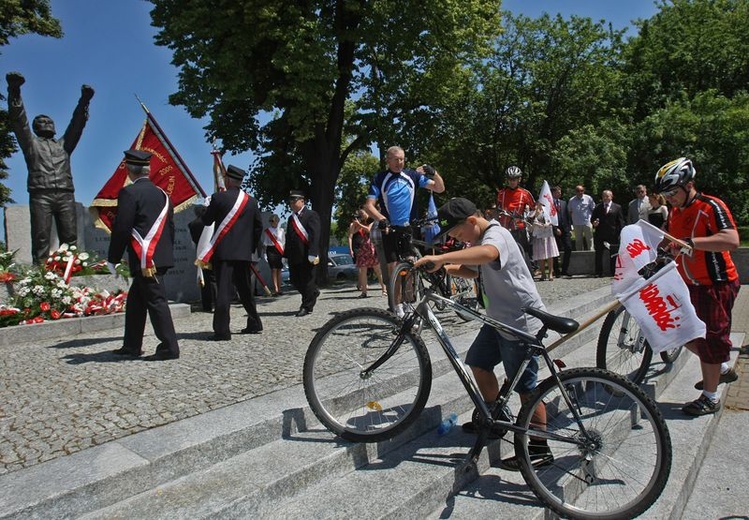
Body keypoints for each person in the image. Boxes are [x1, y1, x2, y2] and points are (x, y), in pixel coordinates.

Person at [414, 197, 552, 470]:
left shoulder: (496, 234)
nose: (458, 239)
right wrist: (445, 267)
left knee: (526, 388)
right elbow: (475, 269)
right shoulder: (478, 241)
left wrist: (442, 257)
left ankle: (539, 448)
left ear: (472, 221)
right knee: (478, 361)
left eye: (457, 233)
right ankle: (495, 417)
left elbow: (489, 255)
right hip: (498, 319)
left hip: (519, 323)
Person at [656, 157, 740, 416]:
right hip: (689, 283)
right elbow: (671, 240)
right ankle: (722, 368)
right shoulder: (676, 212)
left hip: (716, 283)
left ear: (689, 184)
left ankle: (710, 397)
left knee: (711, 337)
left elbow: (731, 240)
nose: (669, 198)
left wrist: (691, 242)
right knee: (683, 333)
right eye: (665, 194)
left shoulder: (711, 206)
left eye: (673, 192)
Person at [6, 71, 94, 263]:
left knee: (70, 238)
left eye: (49, 122)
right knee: (41, 238)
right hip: (41, 195)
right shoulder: (31, 144)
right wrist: (14, 91)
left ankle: (72, 272)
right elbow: (19, 121)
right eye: (41, 122)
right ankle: (41, 276)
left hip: (65, 194)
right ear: (36, 128)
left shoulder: (64, 146)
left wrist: (84, 101)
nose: (46, 123)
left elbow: (76, 126)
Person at [108, 150, 179, 361]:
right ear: (148, 170)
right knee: (136, 301)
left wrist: (113, 257)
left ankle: (169, 348)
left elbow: (122, 228)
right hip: (159, 256)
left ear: (129, 171)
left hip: (146, 259)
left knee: (156, 301)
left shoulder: (129, 193)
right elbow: (171, 229)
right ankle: (131, 345)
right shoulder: (163, 195)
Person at [364, 146, 445, 316]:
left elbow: (440, 188)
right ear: (388, 160)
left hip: (409, 228)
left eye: (402, 159)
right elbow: (369, 206)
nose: (399, 162)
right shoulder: (380, 178)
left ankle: (408, 304)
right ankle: (397, 307)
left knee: (409, 267)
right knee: (394, 269)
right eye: (395, 159)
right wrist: (381, 219)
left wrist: (433, 172)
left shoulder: (413, 176)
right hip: (389, 229)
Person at [198, 165, 263, 340]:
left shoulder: (218, 198)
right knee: (246, 291)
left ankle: (222, 330)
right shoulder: (251, 201)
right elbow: (258, 228)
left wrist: (205, 208)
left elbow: (206, 220)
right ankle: (255, 322)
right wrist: (249, 248)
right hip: (243, 254)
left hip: (224, 254)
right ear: (240, 182)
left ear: (227, 180)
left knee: (224, 292)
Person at [285, 190, 321, 317]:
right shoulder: (291, 218)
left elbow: (314, 235)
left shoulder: (311, 215)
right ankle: (312, 293)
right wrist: (286, 254)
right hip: (294, 255)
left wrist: (313, 252)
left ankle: (306, 306)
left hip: (307, 254)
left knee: (307, 281)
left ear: (302, 201)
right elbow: (289, 237)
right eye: (290, 201)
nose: (292, 204)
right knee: (295, 280)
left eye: (295, 201)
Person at [496, 166, 535, 267]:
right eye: (510, 179)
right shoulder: (501, 193)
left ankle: (528, 273)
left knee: (523, 252)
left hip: (519, 227)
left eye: (514, 179)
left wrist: (529, 218)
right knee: (505, 252)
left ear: (519, 179)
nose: (512, 182)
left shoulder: (525, 193)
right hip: (504, 227)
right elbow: (498, 208)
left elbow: (534, 208)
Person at [348, 207, 386, 298]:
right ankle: (364, 292)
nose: (362, 216)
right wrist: (355, 224)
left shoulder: (371, 220)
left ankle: (384, 289)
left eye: (363, 214)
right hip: (362, 248)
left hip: (371, 246)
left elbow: (368, 229)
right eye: (360, 214)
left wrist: (359, 225)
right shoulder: (360, 222)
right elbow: (352, 232)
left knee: (377, 269)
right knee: (363, 270)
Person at [187, 200, 217, 312]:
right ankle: (216, 303)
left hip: (201, 254)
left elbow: (195, 240)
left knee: (204, 279)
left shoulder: (192, 224)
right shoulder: (211, 224)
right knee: (214, 279)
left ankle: (207, 305)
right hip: (212, 253)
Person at [591, 190, 625, 277]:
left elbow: (621, 222)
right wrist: (594, 223)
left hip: (613, 234)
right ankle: (599, 272)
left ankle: (613, 272)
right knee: (599, 254)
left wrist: (621, 233)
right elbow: (593, 219)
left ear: (611, 196)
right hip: (600, 234)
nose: (605, 198)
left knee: (613, 254)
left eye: (607, 196)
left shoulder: (617, 207)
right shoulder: (598, 207)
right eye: (604, 196)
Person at [530, 201, 558, 281]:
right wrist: (536, 213)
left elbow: (552, 220)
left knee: (550, 255)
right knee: (540, 256)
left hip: (547, 235)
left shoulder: (547, 210)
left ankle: (550, 273)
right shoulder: (533, 212)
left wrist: (548, 224)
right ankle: (543, 274)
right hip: (538, 236)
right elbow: (531, 220)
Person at [262, 214, 286, 296]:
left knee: (279, 269)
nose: (273, 223)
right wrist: (265, 253)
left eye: (274, 221)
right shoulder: (268, 231)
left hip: (279, 250)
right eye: (271, 221)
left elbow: (283, 242)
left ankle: (279, 288)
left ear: (277, 221)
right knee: (273, 269)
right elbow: (265, 243)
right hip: (271, 250)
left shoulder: (281, 230)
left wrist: (283, 254)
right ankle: (275, 288)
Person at [551, 186, 572, 278]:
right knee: (556, 250)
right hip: (555, 229)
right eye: (557, 192)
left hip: (565, 229)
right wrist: (555, 229)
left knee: (568, 248)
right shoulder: (549, 203)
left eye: (560, 192)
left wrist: (570, 228)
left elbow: (567, 216)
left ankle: (565, 269)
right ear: (553, 193)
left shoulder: (563, 203)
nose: (559, 193)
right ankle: (556, 270)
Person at [568, 185, 596, 251]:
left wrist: (593, 220)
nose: (580, 192)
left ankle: (591, 254)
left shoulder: (588, 198)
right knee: (578, 241)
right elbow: (569, 212)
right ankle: (579, 256)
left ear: (584, 191)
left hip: (587, 222)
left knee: (590, 240)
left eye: (581, 191)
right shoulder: (571, 200)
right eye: (578, 191)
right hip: (576, 223)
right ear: (575, 192)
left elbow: (594, 209)